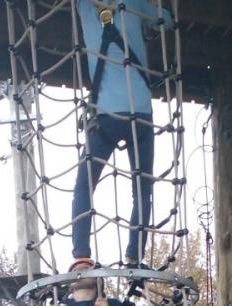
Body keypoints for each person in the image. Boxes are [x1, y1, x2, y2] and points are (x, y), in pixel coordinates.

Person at [71, 0, 171, 267]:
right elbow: (167, 20)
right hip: (141, 115)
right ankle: (133, 255)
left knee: (84, 186)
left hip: (107, 117)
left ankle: (81, 253)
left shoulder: (84, 7)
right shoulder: (134, 4)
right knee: (142, 189)